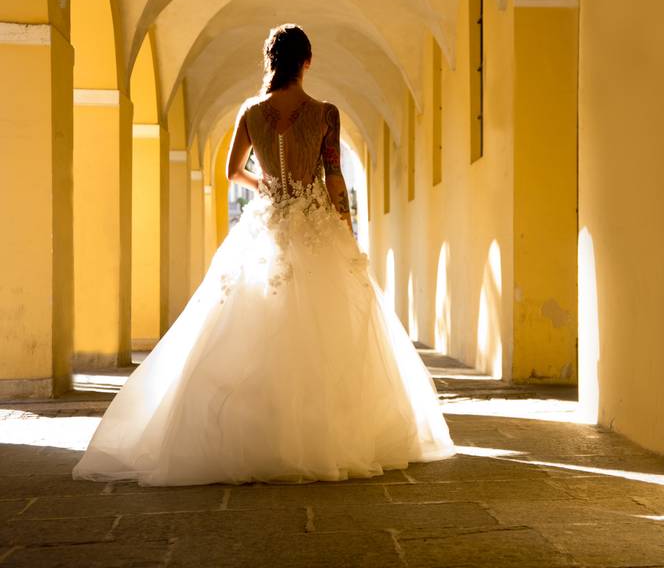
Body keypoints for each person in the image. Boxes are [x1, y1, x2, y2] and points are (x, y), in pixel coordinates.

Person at [73, 24, 454, 486]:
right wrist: (345, 227)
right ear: (307, 62)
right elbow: (334, 176)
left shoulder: (251, 112)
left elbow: (233, 171)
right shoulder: (325, 113)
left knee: (252, 321)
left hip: (269, 223)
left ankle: (257, 434)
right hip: (314, 225)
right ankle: (319, 435)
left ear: (270, 62)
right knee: (327, 330)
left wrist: (265, 185)